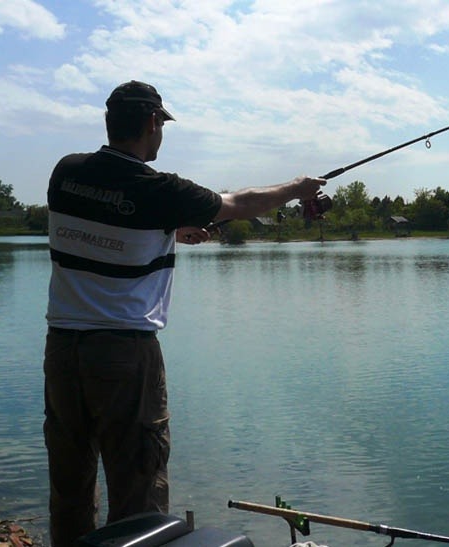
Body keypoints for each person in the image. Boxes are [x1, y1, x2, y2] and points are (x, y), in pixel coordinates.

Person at [43, 80, 325, 546]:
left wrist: (169, 232)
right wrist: (297, 187)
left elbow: (104, 227)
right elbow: (239, 204)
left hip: (62, 351)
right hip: (124, 355)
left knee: (69, 487)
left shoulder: (65, 173)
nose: (161, 136)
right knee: (138, 495)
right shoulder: (161, 188)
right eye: (161, 126)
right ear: (152, 122)